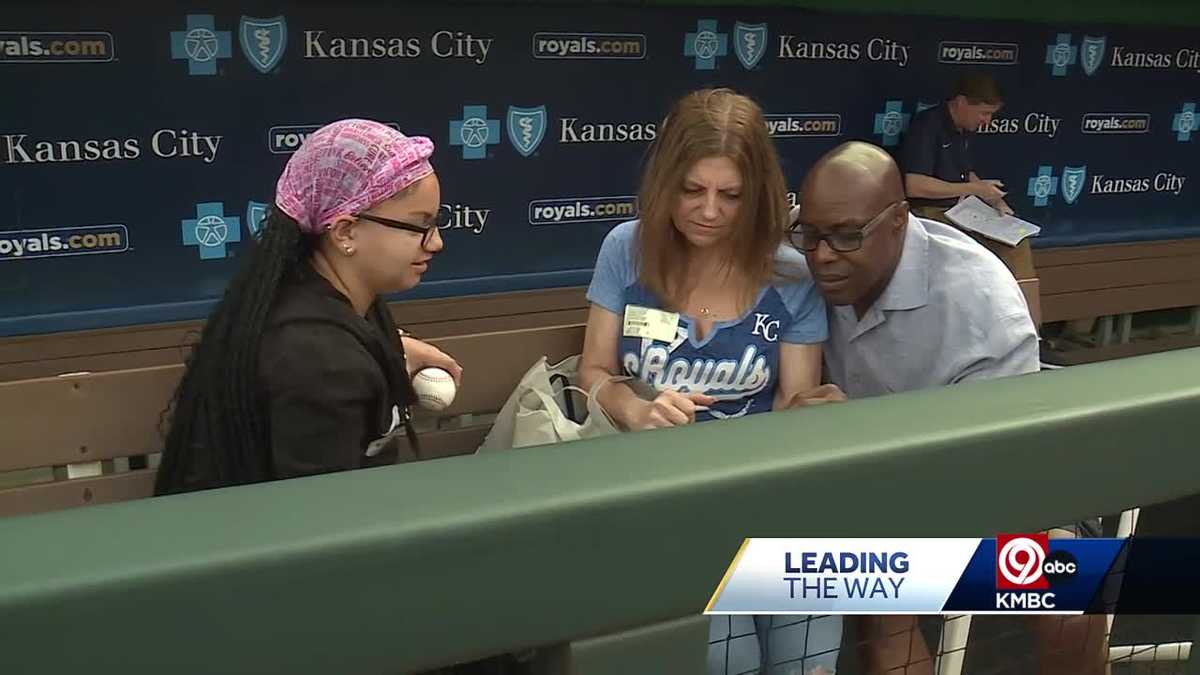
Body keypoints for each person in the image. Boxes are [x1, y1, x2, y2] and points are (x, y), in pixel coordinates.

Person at [790, 141, 1107, 675]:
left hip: (1002, 476)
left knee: (1069, 606)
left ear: (897, 222)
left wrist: (861, 434)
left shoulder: (980, 299)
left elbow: (993, 468)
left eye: (846, 237)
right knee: (885, 606)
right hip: (869, 482)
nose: (823, 255)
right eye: (811, 235)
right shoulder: (801, 257)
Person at [577, 88, 838, 675]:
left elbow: (795, 404)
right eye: (692, 190)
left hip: (766, 499)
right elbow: (592, 369)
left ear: (759, 196)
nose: (710, 211)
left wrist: (815, 414)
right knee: (732, 661)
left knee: (808, 661)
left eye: (731, 195)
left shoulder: (791, 274)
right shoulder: (627, 249)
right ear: (666, 181)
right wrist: (635, 407)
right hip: (661, 504)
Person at [155, 119, 462, 496]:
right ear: (345, 231)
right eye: (420, 226)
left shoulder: (332, 307)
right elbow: (323, 524)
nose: (436, 243)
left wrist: (396, 350)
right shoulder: (317, 359)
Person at [900, 72, 1034, 282]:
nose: (987, 121)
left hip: (960, 209)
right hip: (928, 212)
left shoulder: (963, 128)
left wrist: (994, 199)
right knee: (974, 251)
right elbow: (915, 185)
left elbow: (965, 174)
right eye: (984, 113)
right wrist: (974, 190)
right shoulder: (927, 126)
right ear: (962, 102)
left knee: (1016, 241)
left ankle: (1021, 308)